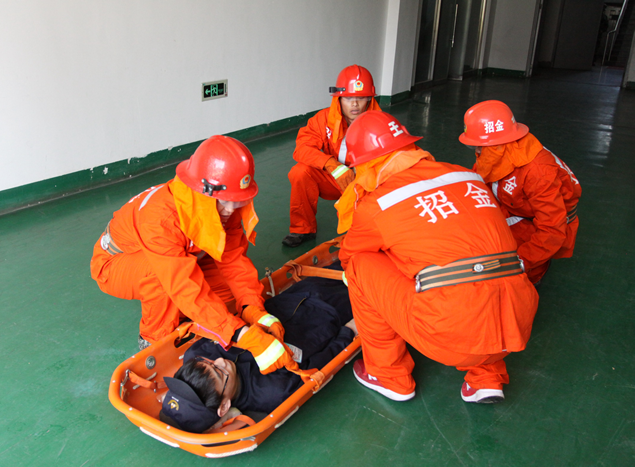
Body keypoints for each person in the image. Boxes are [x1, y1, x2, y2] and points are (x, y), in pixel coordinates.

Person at [335, 111, 539, 404]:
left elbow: (350, 255)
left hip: (452, 335)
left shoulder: (378, 202)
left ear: (366, 164)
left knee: (360, 265)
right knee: (475, 257)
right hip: (517, 323)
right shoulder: (467, 176)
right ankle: (487, 378)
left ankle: (389, 377)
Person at [90, 135, 295, 375]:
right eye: (224, 201)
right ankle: (154, 343)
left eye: (237, 201)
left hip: (182, 257)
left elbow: (234, 261)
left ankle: (187, 312)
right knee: (162, 278)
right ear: (202, 190)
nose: (231, 210)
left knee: (228, 297)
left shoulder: (222, 203)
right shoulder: (161, 219)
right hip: (115, 264)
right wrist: (240, 333)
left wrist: (253, 309)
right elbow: (181, 283)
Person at [159, 272, 356, 433]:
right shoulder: (272, 391)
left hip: (296, 293)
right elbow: (323, 360)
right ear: (224, 407)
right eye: (219, 371)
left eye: (207, 362)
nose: (219, 360)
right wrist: (351, 331)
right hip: (333, 313)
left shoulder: (195, 353)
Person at [459, 100, 582, 285]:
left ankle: (534, 270)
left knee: (510, 279)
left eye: (479, 145)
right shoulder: (497, 154)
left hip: (537, 224)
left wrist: (518, 263)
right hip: (514, 208)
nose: (476, 150)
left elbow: (552, 230)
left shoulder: (538, 172)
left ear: (497, 143)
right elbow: (479, 185)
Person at [282, 64, 382, 248]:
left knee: (367, 231)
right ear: (339, 98)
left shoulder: (382, 124)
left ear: (369, 98)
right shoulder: (324, 119)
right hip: (335, 179)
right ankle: (303, 229)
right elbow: (302, 147)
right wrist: (331, 164)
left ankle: (371, 229)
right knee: (300, 172)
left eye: (360, 98)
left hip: (367, 183)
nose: (354, 104)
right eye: (349, 98)